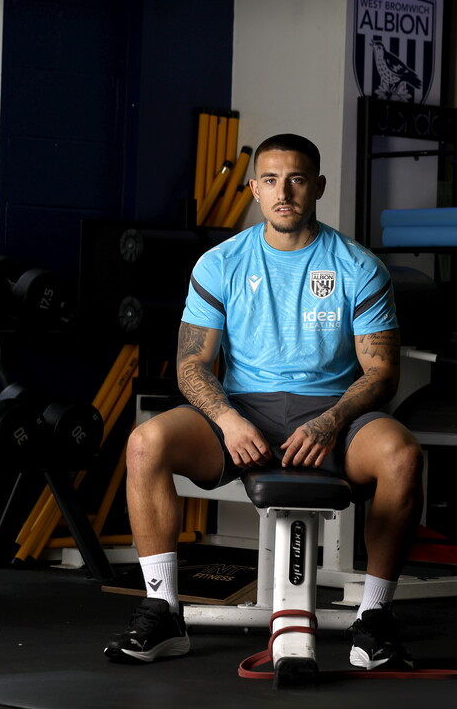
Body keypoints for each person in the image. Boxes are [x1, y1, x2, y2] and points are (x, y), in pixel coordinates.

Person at [104, 134, 424, 669]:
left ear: (317, 186)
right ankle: (162, 611)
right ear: (254, 188)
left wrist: (329, 421)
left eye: (297, 179)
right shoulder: (220, 263)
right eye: (271, 180)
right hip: (243, 411)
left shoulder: (357, 266)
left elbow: (382, 373)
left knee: (403, 455)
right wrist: (227, 419)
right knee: (145, 443)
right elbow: (190, 365)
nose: (285, 192)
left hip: (333, 413)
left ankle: (373, 621)